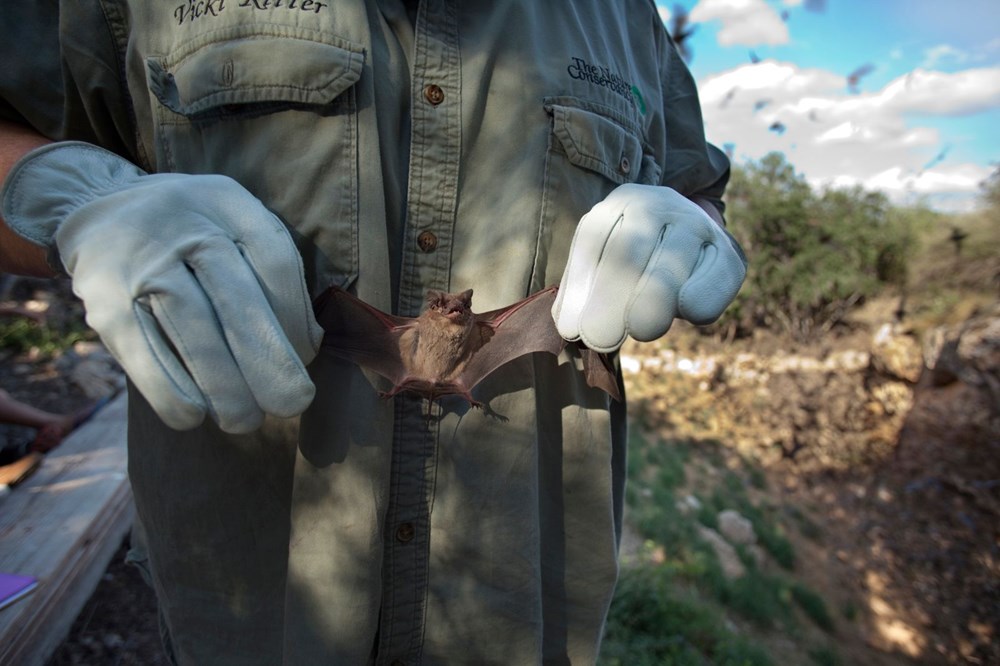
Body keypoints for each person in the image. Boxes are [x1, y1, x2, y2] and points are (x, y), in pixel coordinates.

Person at [0, 2, 747, 664]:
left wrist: (692, 224)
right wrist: (75, 203)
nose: (453, 307)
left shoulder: (626, 15)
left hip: (520, 611)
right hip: (252, 607)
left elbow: (697, 187)